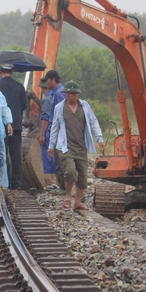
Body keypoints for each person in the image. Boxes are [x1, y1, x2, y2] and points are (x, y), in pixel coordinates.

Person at [47, 81, 105, 211]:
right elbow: (55, 127)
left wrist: (99, 139)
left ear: (77, 94)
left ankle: (77, 202)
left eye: (73, 93)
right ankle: (68, 196)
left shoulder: (85, 106)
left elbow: (93, 122)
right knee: (71, 171)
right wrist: (51, 145)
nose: (70, 96)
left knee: (83, 178)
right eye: (68, 93)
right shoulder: (60, 108)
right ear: (65, 94)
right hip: (65, 146)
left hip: (81, 147)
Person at [0, 63, 27, 190]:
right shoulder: (19, 87)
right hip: (16, 126)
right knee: (15, 155)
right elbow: (24, 105)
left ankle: (4, 183)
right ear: (12, 71)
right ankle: (17, 184)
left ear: (0, 71)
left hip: (0, 126)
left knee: (2, 154)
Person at [38, 70, 66, 193]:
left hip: (59, 131)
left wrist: (44, 134)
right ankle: (60, 184)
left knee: (58, 159)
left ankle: (63, 187)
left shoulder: (58, 94)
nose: (46, 83)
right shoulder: (57, 93)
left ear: (53, 80)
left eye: (47, 80)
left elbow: (57, 115)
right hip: (59, 130)